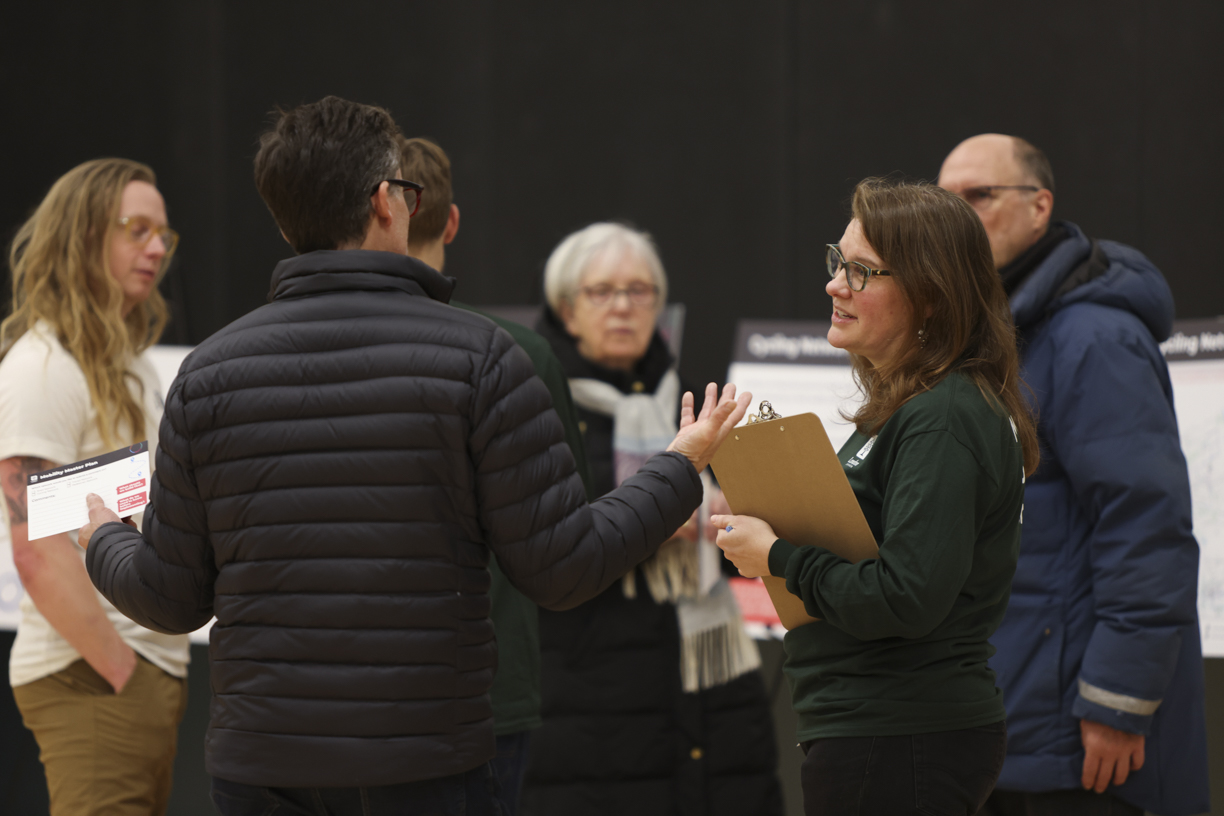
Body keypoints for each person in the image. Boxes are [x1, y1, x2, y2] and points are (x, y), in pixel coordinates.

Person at [74, 96, 750, 816]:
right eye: (404, 187)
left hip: (262, 764)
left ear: (285, 222)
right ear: (385, 204)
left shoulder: (206, 374)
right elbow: (563, 567)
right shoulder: (483, 359)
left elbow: (172, 597)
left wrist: (100, 541)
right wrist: (679, 467)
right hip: (426, 763)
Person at [715, 178, 1039, 816]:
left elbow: (906, 597)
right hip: (877, 730)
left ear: (930, 294)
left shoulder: (944, 415)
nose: (836, 285)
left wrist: (778, 557)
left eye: (862, 272)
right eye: (838, 262)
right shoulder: (913, 407)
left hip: (901, 735)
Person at [938, 133, 1209, 816]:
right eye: (945, 202)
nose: (959, 217)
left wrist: (1119, 699)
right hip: (1012, 714)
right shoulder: (994, 338)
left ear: (1040, 207)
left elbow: (1148, 529)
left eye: (980, 196)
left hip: (1084, 736)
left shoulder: (1094, 338)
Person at [525, 222, 783, 816]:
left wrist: (732, 519)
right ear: (567, 308)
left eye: (639, 292)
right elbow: (539, 543)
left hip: (708, 686)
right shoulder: (536, 406)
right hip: (585, 692)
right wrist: (651, 513)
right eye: (602, 292)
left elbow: (755, 560)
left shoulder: (697, 404)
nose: (623, 307)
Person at [398, 134, 593, 815]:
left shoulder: (293, 351)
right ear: (450, 222)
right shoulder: (519, 354)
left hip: (337, 694)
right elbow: (567, 531)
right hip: (487, 681)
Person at [0, 158, 191, 815]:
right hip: (92, 674)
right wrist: (119, 668)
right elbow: (36, 548)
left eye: (163, 233)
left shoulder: (124, 363)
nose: (157, 248)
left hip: (139, 669)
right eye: (135, 229)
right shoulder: (45, 366)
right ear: (83, 236)